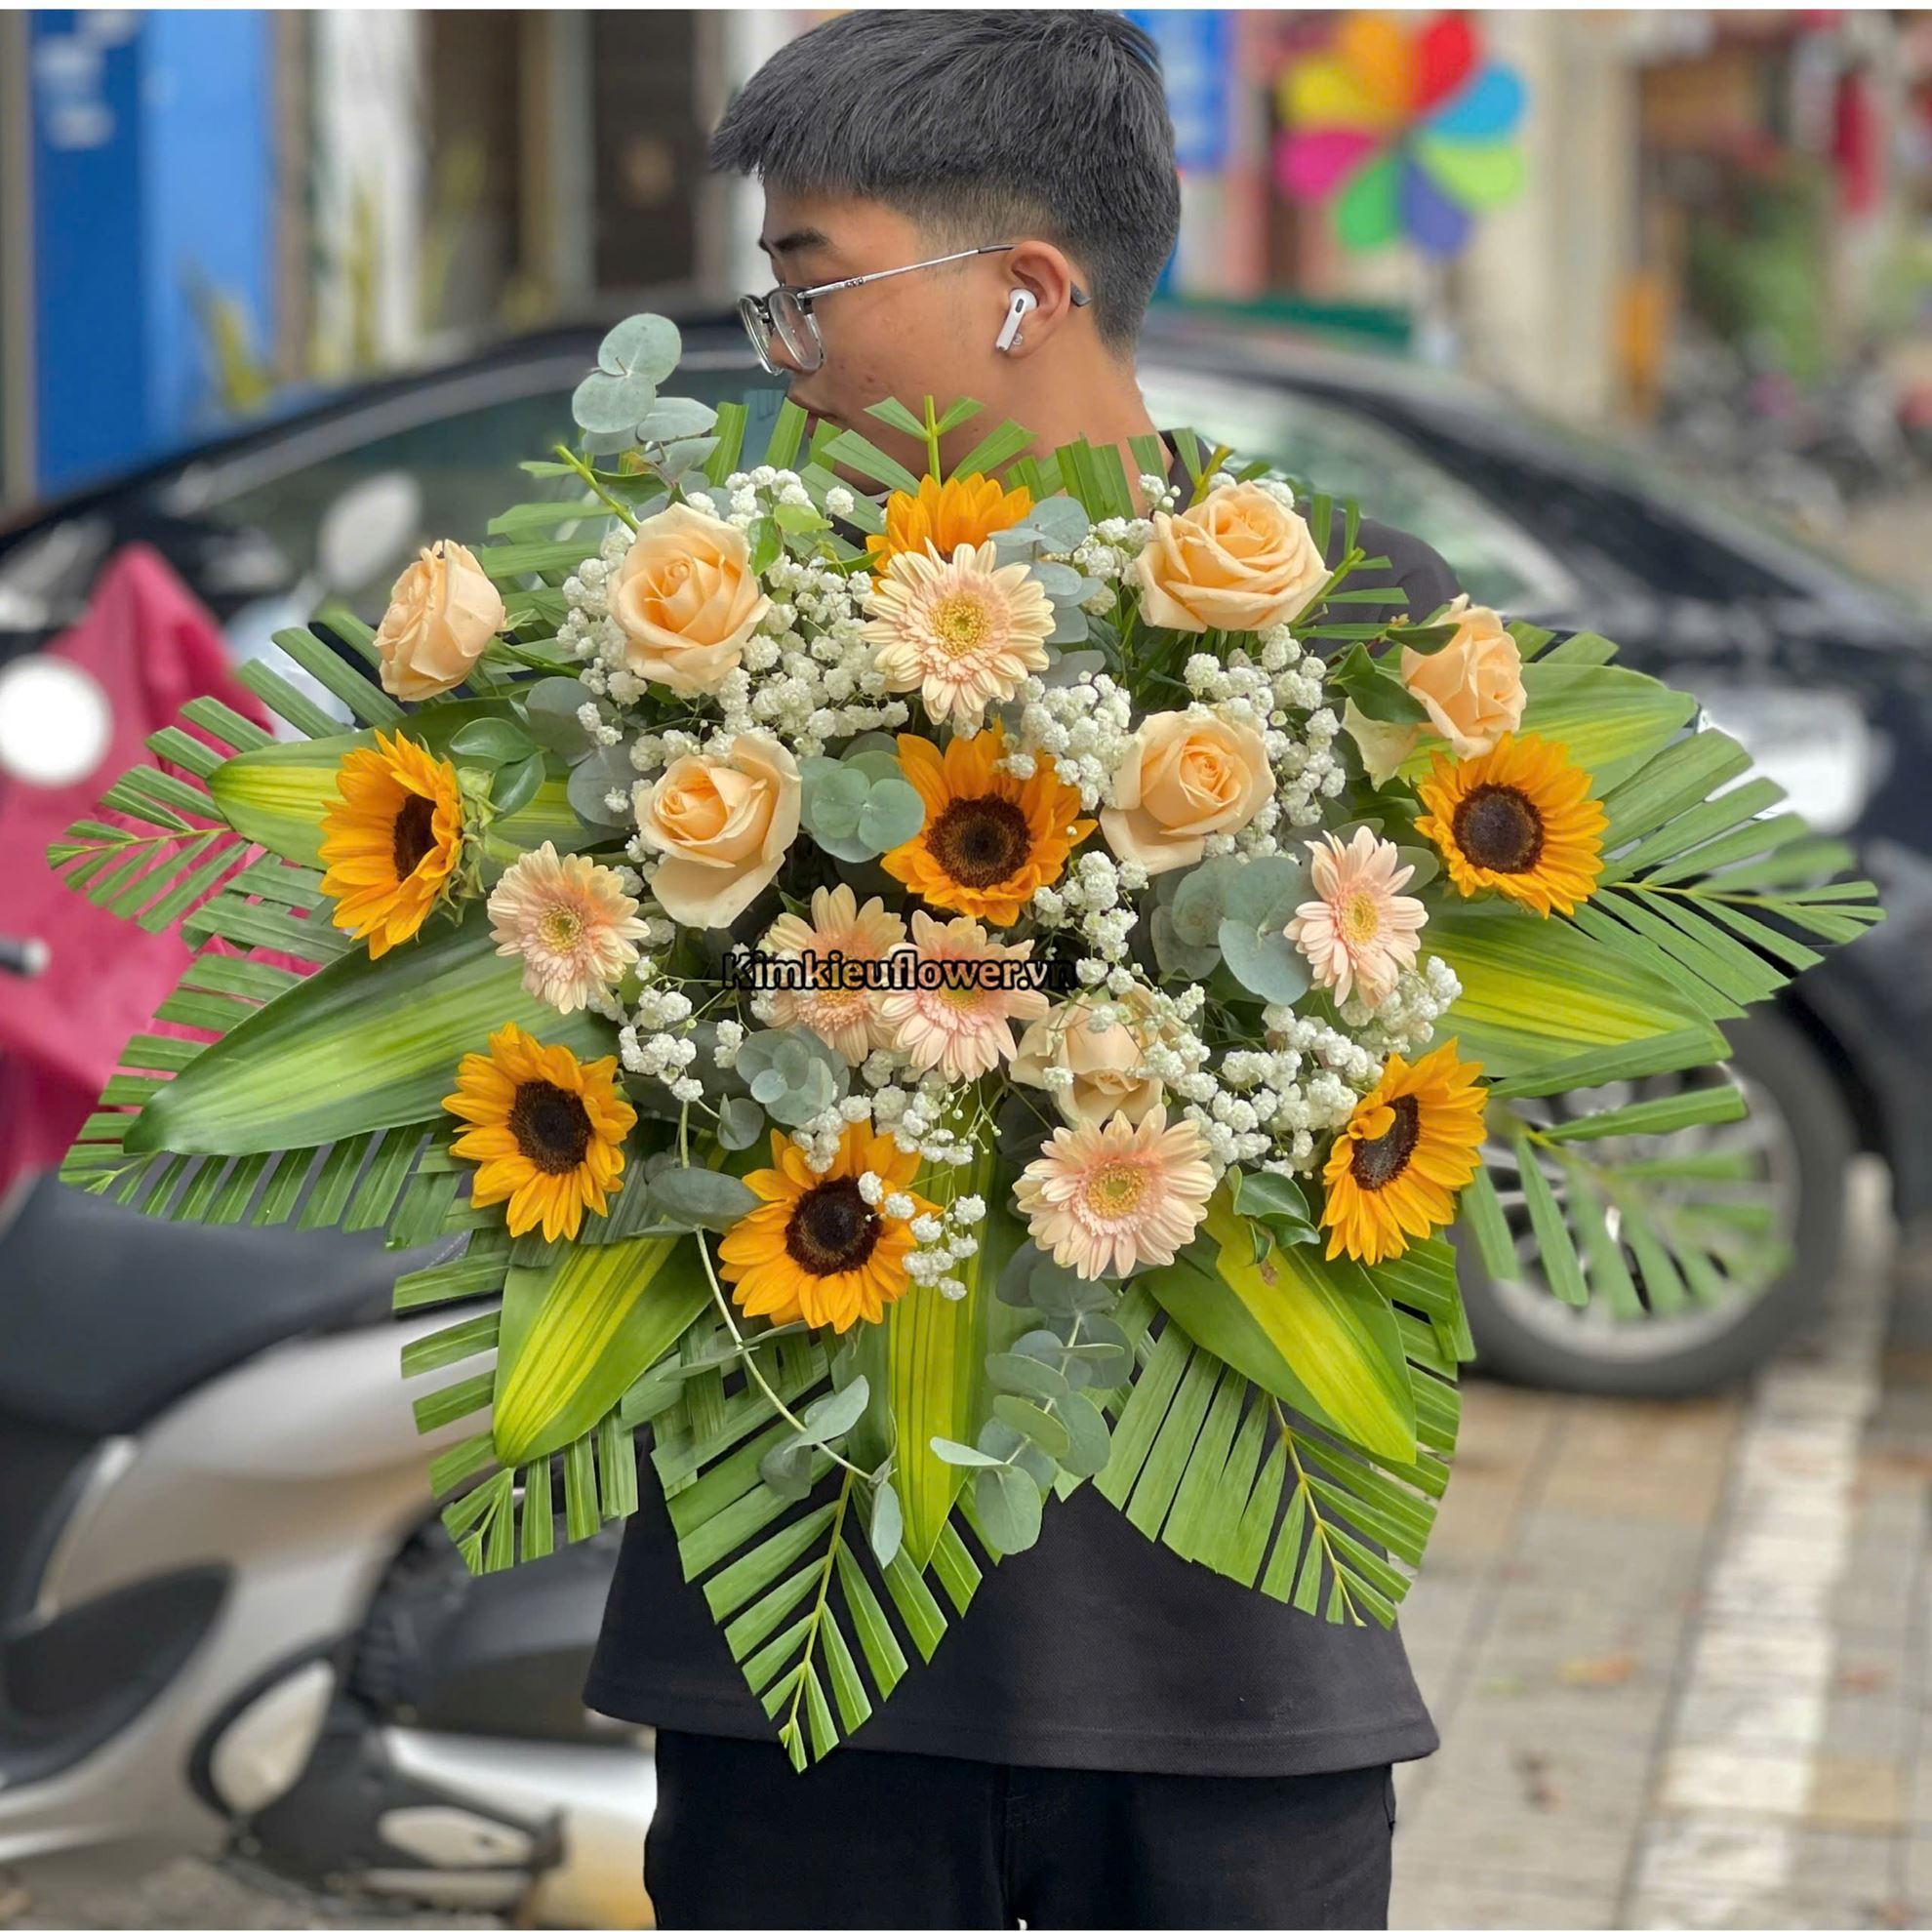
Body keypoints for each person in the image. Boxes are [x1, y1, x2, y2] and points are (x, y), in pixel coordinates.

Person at [585, 15, 1459, 1928]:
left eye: (815, 287)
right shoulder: (719, 631)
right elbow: (611, 1041)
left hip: (1232, 1674)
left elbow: (1453, 1104)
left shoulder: (1365, 626)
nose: (788, 362)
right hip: (790, 1670)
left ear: (1026, 290)